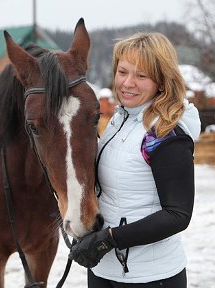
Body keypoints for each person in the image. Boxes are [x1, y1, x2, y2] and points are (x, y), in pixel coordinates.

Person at [69, 32, 201, 288]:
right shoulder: (120, 119)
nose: (127, 83)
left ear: (161, 82)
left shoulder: (165, 134)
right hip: (104, 269)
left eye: (141, 76)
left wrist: (108, 239)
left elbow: (177, 214)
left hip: (151, 277)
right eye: (122, 72)